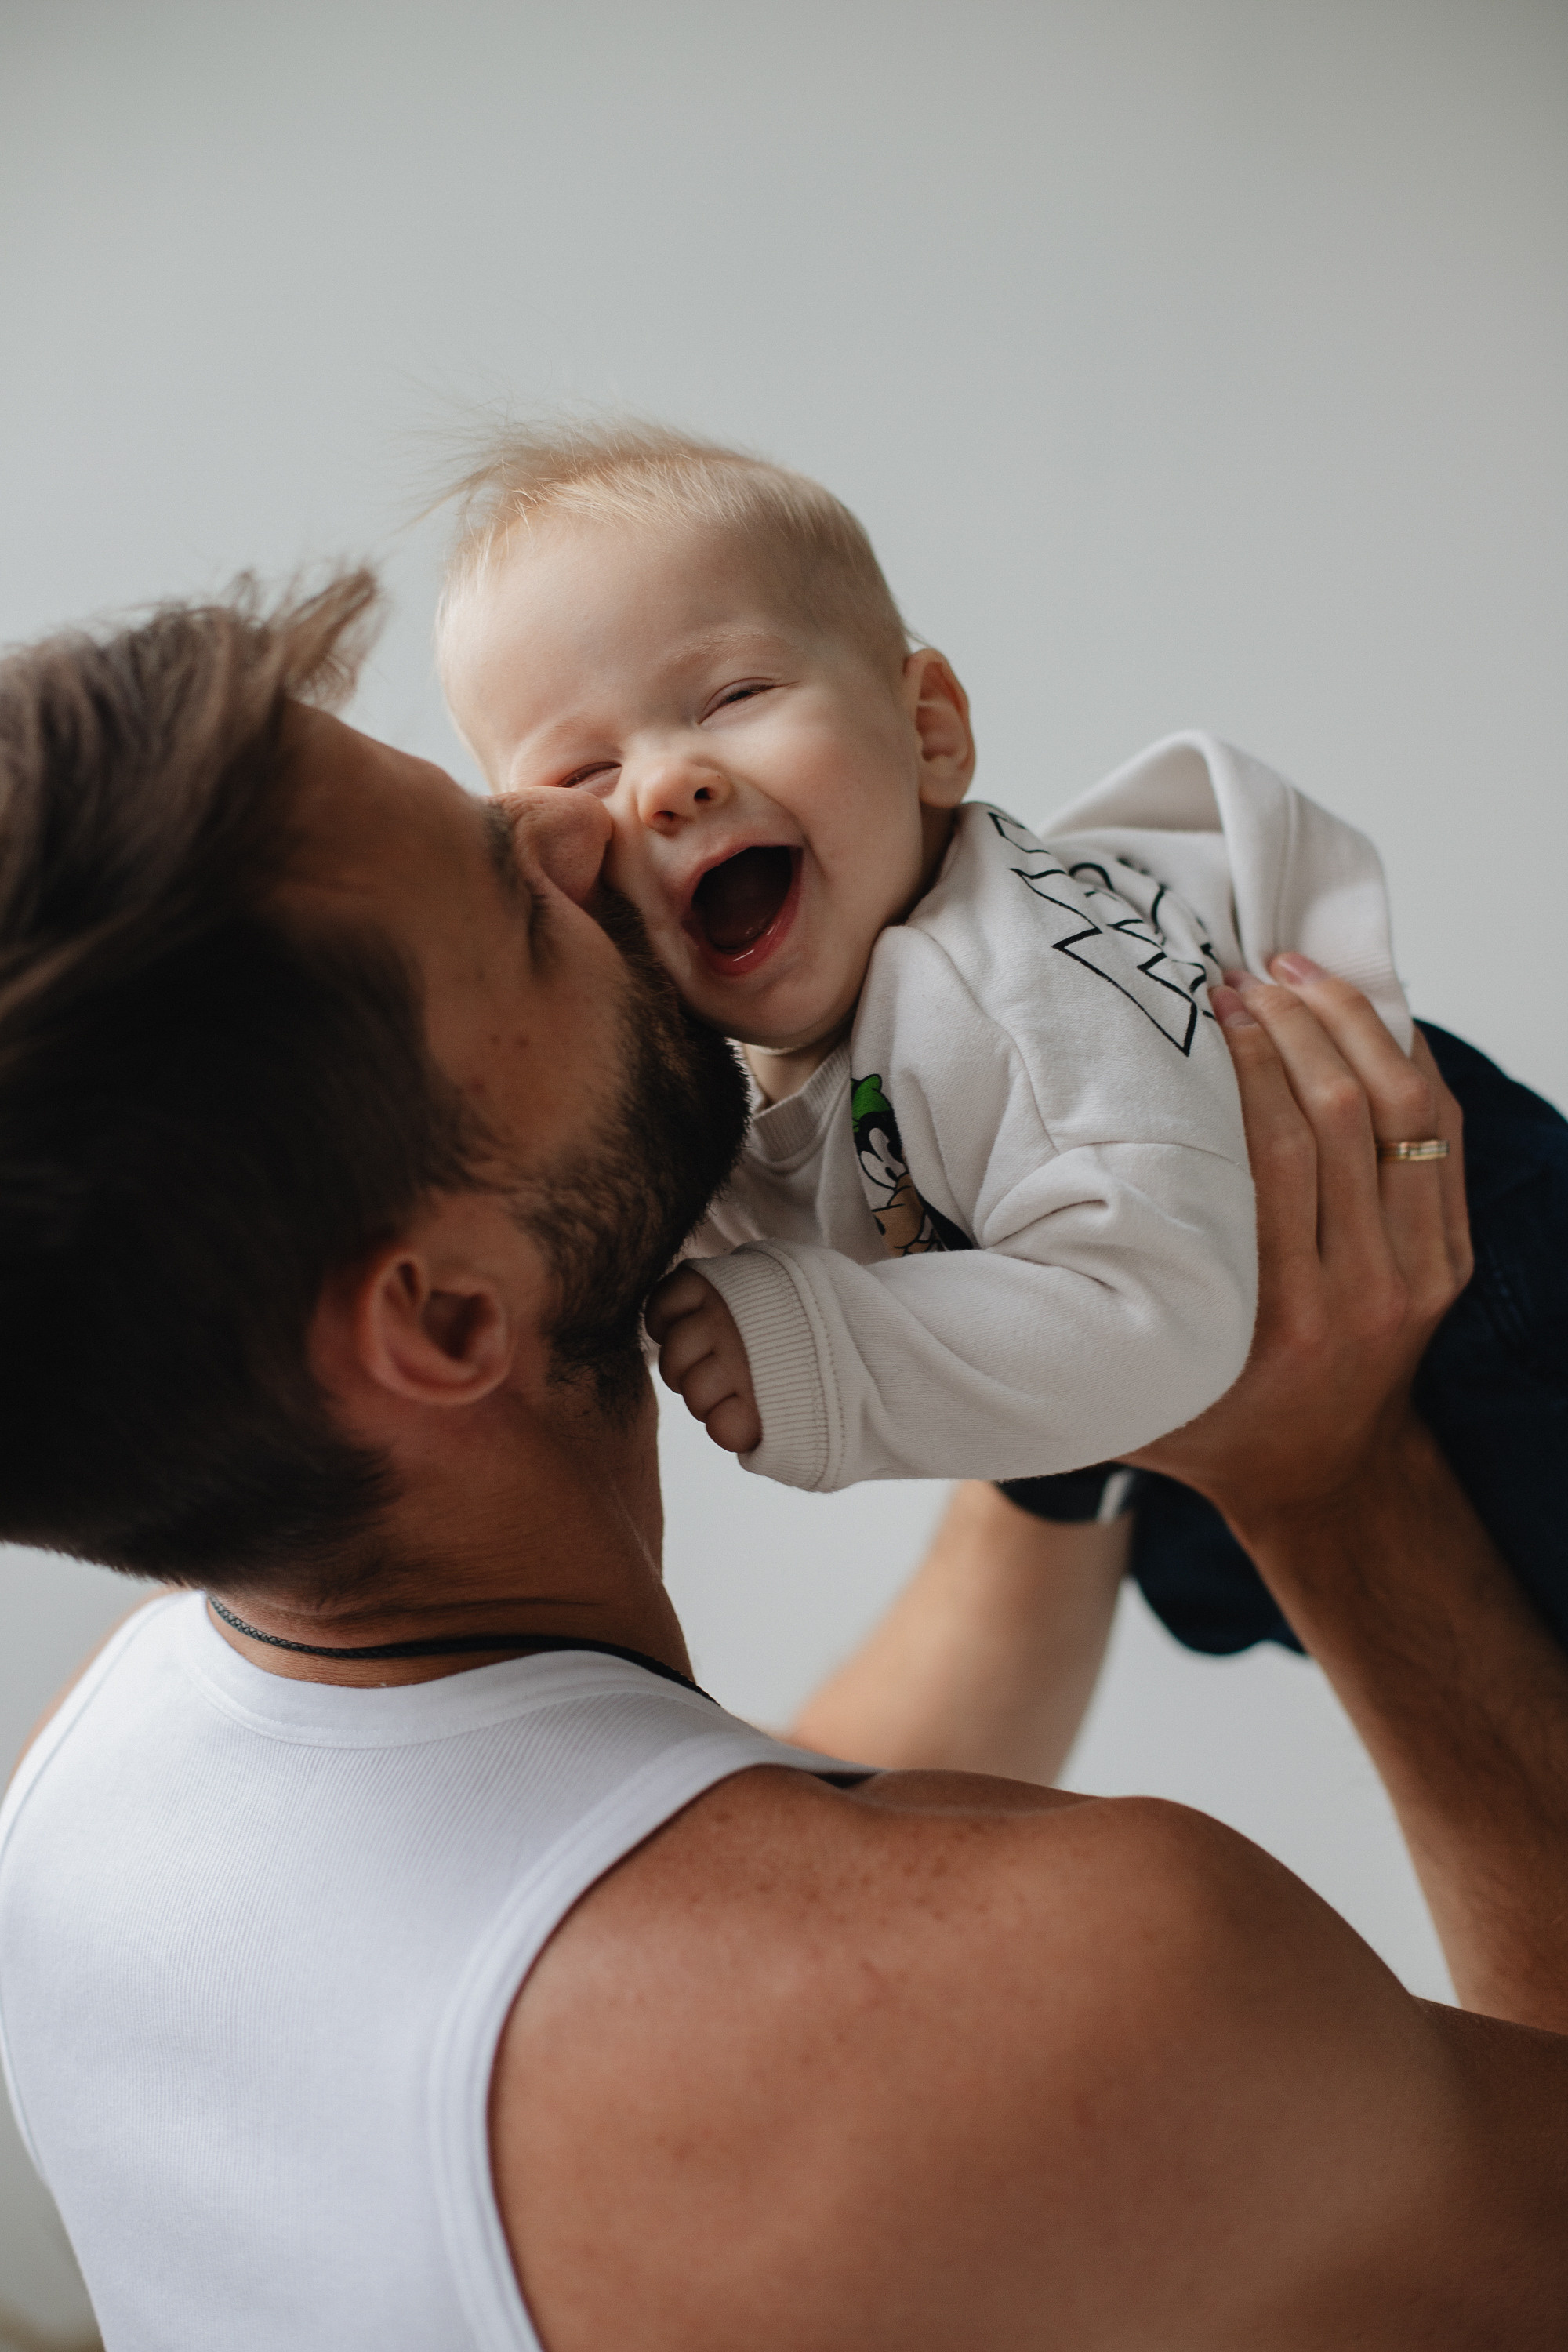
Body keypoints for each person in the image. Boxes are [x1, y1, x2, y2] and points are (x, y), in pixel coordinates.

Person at [1, 582, 1566, 2350]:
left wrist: (1057, 1318)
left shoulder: (92, 1789)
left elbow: (745, 1845)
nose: (576, 823)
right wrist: (1331, 1491)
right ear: (442, 1321)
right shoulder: (1082, 2004)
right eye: (507, 899)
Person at [439, 419, 1568, 1669]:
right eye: (585, 772)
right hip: (1215, 1392)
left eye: (736, 697)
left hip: (1484, 1293)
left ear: (928, 730)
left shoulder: (993, 988)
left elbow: (1158, 1315)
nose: (666, 784)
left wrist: (832, 1352)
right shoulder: (776, 1037)